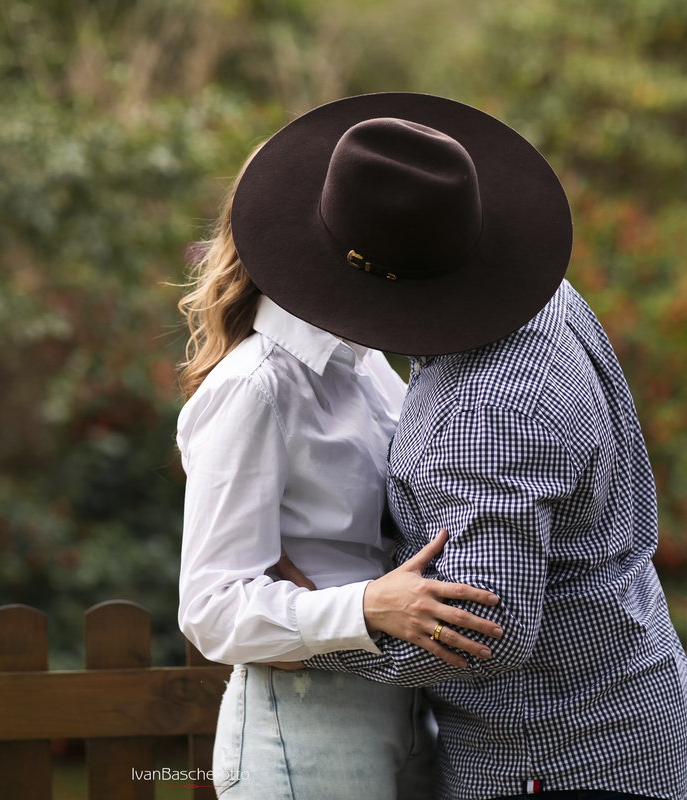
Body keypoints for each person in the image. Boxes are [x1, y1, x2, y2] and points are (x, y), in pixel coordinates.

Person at [232, 93, 687, 799]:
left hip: (557, 762)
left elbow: (482, 632)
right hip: (620, 711)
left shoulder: (486, 412)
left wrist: (316, 633)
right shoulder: (534, 293)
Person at [176, 124, 503, 796]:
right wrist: (366, 606)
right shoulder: (256, 386)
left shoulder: (368, 364)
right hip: (305, 724)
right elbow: (209, 607)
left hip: (408, 711)